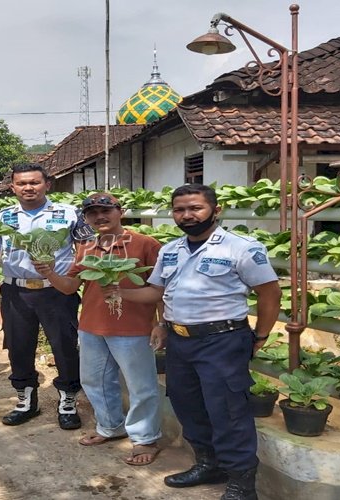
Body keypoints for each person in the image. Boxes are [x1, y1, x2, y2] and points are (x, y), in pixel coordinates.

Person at [118, 184, 281, 500]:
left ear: (215, 210)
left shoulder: (241, 248)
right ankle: (208, 464)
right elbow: (157, 292)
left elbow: (269, 293)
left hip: (222, 341)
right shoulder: (171, 250)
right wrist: (118, 292)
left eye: (195, 208)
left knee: (228, 411)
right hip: (180, 342)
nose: (187, 215)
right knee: (187, 404)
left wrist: (260, 335)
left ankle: (242, 485)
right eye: (180, 210)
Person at [33, 192, 165, 466]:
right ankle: (110, 427)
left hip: (134, 327)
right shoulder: (86, 247)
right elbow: (70, 287)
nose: (100, 217)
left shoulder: (146, 244)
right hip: (92, 326)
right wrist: (48, 272)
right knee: (96, 381)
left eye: (106, 210)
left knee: (141, 386)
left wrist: (161, 324)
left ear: (121, 211)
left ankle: (145, 438)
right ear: (86, 218)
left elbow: (162, 288)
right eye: (92, 213)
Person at [0, 163, 87, 430]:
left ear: (47, 184)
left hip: (56, 291)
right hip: (16, 291)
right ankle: (25, 401)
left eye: (34, 182)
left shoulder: (69, 214)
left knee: (65, 347)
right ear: (13, 187)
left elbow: (85, 250)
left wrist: (75, 277)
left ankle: (68, 402)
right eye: (22, 183)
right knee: (19, 347)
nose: (28, 188)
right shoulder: (2, 217)